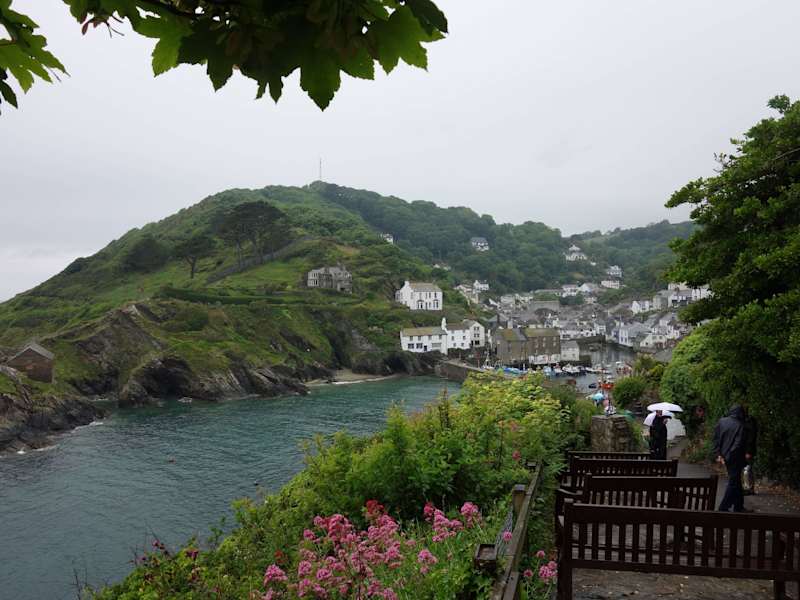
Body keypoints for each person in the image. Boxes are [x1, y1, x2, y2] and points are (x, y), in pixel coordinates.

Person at [713, 405, 751, 512]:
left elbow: (716, 439)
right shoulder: (741, 425)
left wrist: (718, 454)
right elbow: (738, 444)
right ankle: (723, 507)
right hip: (735, 458)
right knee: (734, 482)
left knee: (736, 481)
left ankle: (738, 506)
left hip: (724, 456)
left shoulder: (721, 421)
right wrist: (729, 455)